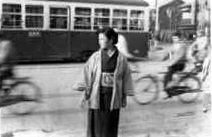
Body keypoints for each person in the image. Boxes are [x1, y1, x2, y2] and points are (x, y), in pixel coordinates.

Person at [73, 27, 133, 137]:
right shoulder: (95, 57)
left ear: (111, 40)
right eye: (99, 39)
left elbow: (126, 76)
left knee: (109, 125)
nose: (100, 42)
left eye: (102, 39)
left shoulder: (121, 58)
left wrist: (125, 94)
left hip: (113, 96)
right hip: (97, 94)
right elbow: (87, 73)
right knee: (95, 124)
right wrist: (84, 91)